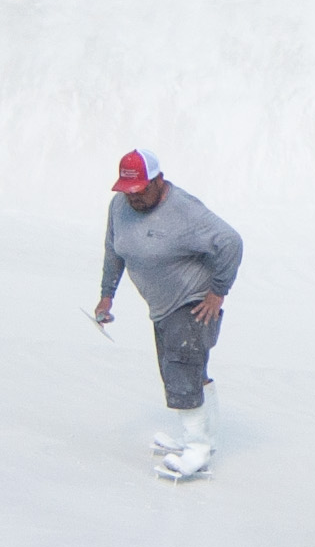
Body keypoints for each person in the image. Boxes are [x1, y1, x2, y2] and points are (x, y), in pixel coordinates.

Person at [92, 148, 243, 480]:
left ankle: (198, 451)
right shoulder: (120, 207)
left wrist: (218, 291)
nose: (133, 199)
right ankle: (201, 439)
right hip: (161, 305)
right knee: (188, 370)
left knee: (180, 370)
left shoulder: (185, 211)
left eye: (140, 190)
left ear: (158, 180)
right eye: (127, 192)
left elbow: (231, 242)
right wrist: (107, 295)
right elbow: (113, 250)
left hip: (191, 303)